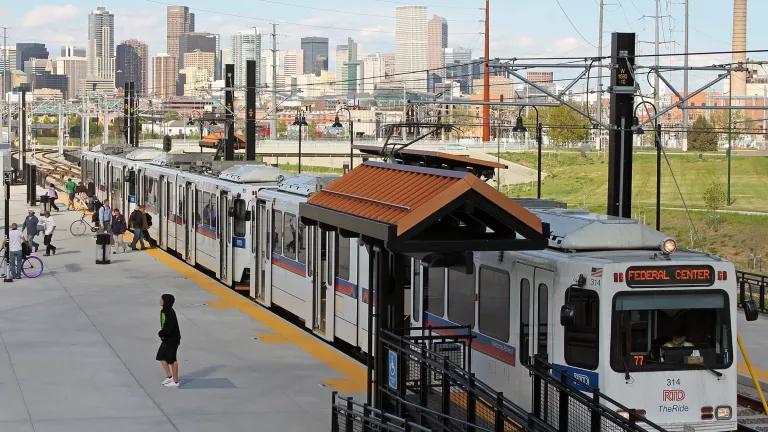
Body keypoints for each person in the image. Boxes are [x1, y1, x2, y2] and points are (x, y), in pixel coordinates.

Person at [157, 293, 181, 387]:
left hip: (173, 339)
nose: (160, 300)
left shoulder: (169, 312)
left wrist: (162, 333)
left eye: (161, 299)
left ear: (165, 301)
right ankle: (169, 377)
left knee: (172, 359)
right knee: (161, 357)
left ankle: (175, 381)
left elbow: (170, 327)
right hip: (167, 339)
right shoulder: (164, 310)